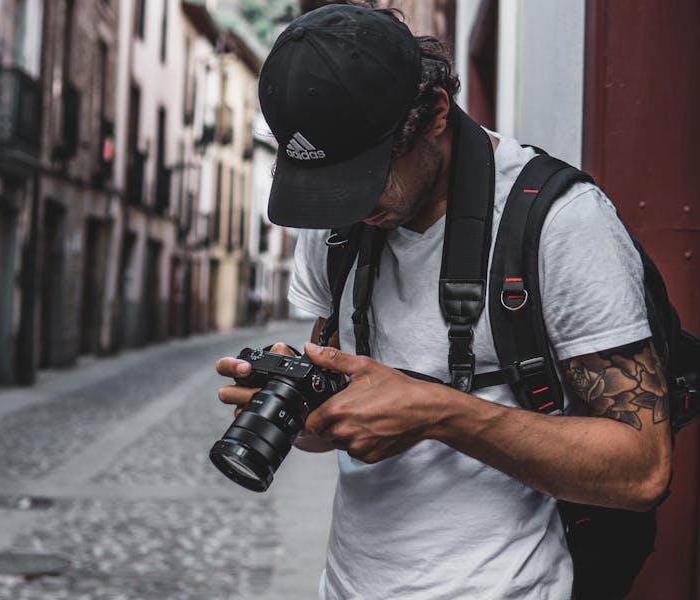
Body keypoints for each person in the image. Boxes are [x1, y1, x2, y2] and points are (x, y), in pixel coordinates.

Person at [216, 3, 672, 598]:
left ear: (434, 114)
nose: (348, 207)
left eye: (365, 177)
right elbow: (337, 411)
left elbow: (643, 470)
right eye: (330, 187)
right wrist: (300, 409)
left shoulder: (562, 223)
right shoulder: (333, 224)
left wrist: (440, 413)